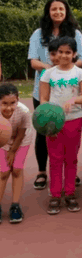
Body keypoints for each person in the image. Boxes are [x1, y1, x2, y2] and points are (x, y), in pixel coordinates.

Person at [28, 0, 82, 191]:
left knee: (69, 134)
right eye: (54, 9)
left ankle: (70, 172)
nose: (58, 12)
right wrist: (50, 69)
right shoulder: (38, 34)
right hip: (43, 90)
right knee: (44, 131)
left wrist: (63, 67)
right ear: (48, 12)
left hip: (69, 92)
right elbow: (33, 61)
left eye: (61, 9)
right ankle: (42, 172)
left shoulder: (76, 34)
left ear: (66, 11)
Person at [39, 37, 82, 214]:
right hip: (53, 123)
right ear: (55, 54)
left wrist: (73, 99)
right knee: (55, 158)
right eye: (60, 52)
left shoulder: (80, 73)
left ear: (74, 54)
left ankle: (69, 193)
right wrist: (49, 117)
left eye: (68, 52)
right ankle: (55, 194)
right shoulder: (48, 74)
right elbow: (43, 99)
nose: (64, 55)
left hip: (74, 119)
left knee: (71, 157)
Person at [0, 84, 33, 224]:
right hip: (2, 140)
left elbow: (21, 133)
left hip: (22, 140)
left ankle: (15, 206)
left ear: (18, 100)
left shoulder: (23, 112)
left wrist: (13, 151)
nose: (8, 107)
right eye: (4, 103)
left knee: (17, 170)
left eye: (12, 103)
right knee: (3, 172)